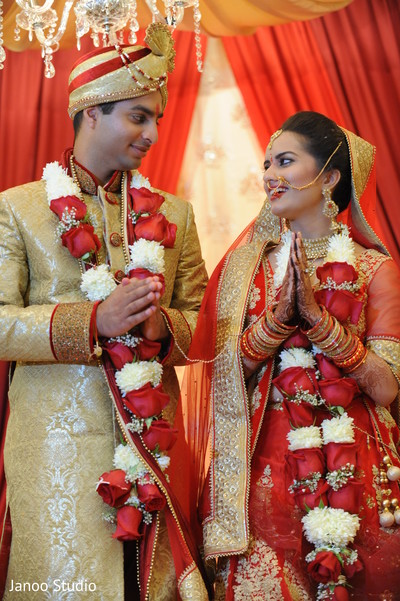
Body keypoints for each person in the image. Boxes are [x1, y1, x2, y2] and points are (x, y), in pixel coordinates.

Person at [0, 23, 209, 600]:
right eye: (138, 116)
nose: (152, 133)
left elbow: (209, 325)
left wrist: (161, 327)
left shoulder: (176, 216)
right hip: (56, 446)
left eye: (158, 119)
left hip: (155, 441)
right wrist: (93, 322)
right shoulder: (18, 210)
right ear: (91, 110)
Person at [184, 111, 400, 600]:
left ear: (329, 177)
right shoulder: (246, 271)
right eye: (266, 164)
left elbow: (387, 387)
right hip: (264, 470)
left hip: (357, 465)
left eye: (285, 161)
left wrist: (322, 324)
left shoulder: (375, 269)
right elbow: (219, 378)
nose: (269, 176)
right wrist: (278, 320)